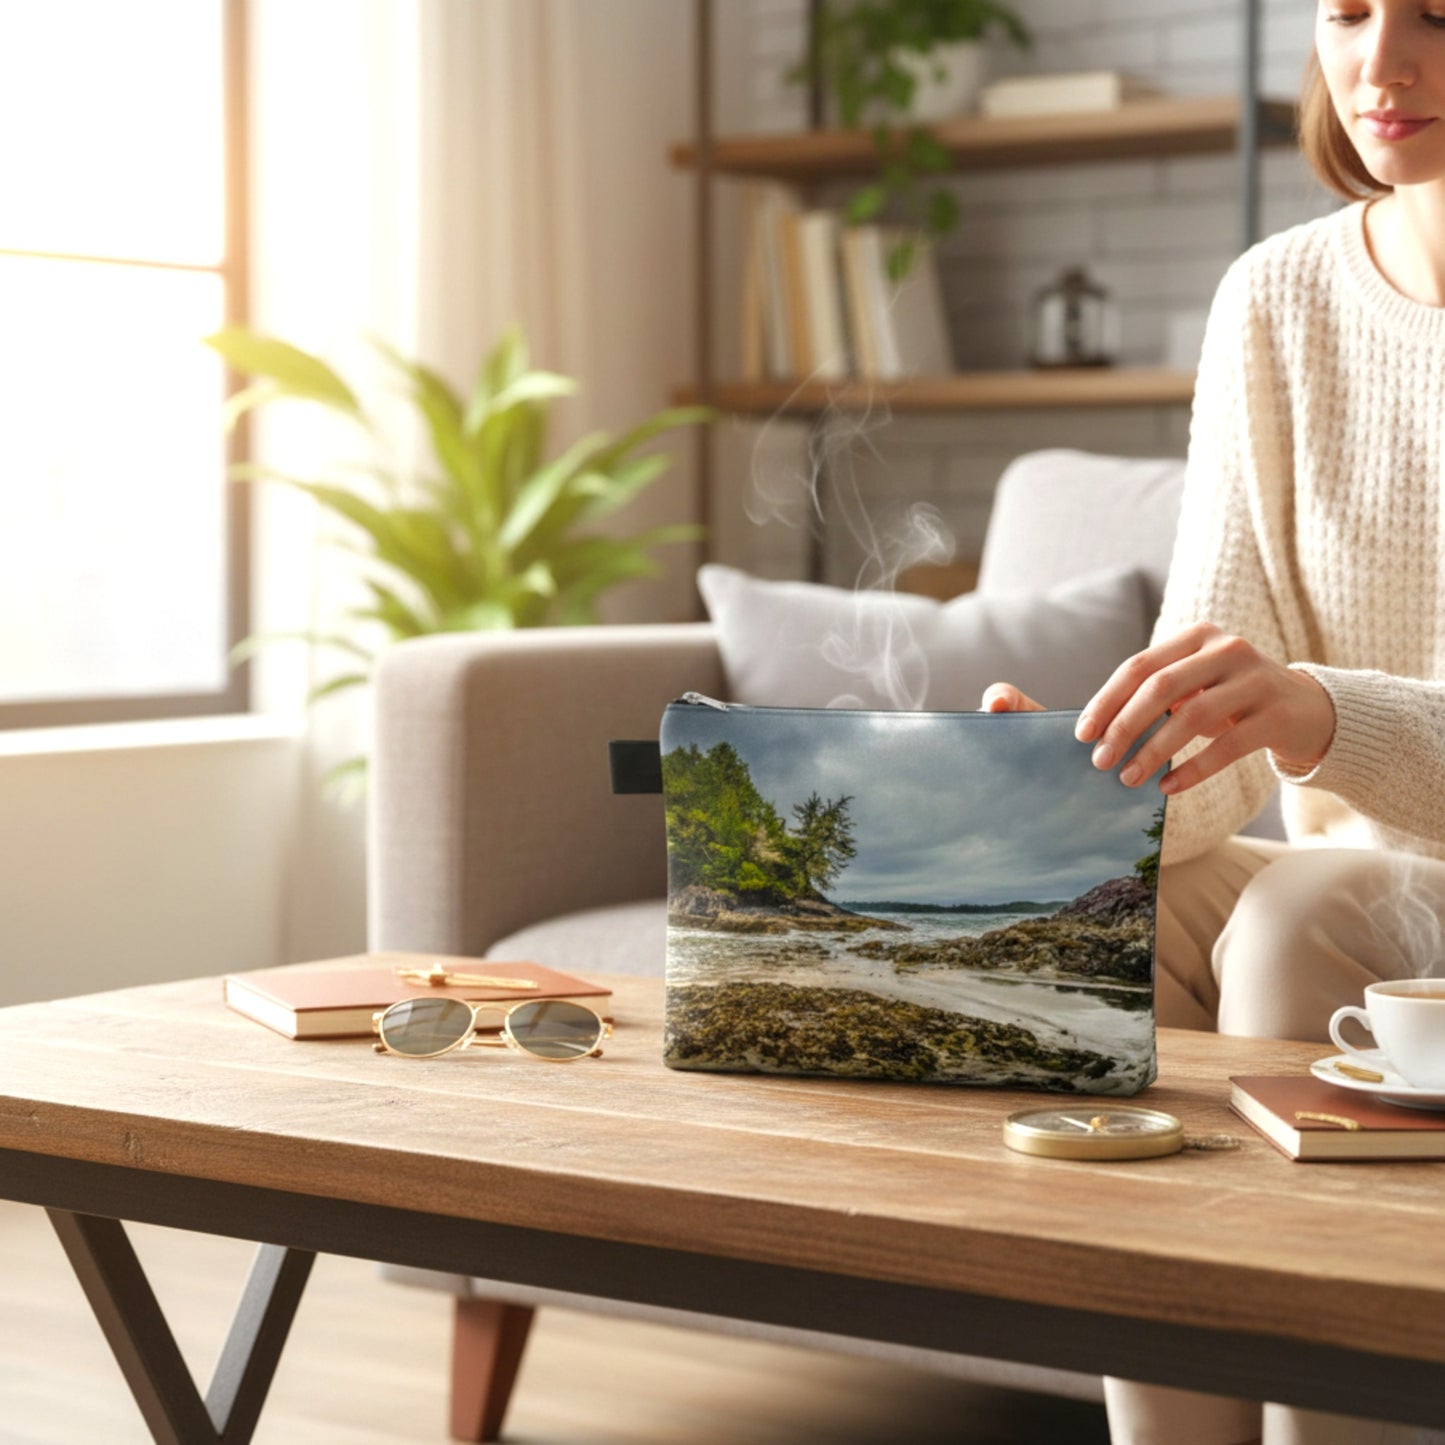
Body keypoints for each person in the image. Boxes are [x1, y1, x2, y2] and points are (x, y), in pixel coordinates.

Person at [984, 4, 1445, 1442]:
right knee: (1101, 894)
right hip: (1362, 879)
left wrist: (1319, 711)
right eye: (1349, 9)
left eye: (1439, 11)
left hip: (1357, 891)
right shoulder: (1274, 298)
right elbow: (1221, 722)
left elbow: (1292, 715)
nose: (1380, 64)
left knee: (1298, 907)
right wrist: (1082, 770)